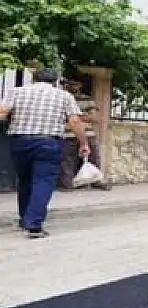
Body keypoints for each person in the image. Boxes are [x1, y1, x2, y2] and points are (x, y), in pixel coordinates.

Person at [0, 68, 90, 238]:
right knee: (43, 182)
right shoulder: (64, 96)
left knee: (24, 180)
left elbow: (3, 113)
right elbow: (74, 121)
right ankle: (33, 224)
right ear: (55, 81)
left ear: (34, 79)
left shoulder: (16, 92)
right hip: (49, 142)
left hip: (20, 142)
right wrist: (83, 143)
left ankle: (24, 218)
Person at [59, 74, 111, 191]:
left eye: (74, 84)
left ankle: (96, 180)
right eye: (69, 83)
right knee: (67, 160)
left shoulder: (87, 99)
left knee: (94, 157)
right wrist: (81, 116)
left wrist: (73, 117)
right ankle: (67, 184)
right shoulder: (61, 98)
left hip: (88, 134)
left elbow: (94, 118)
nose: (71, 86)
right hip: (67, 134)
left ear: (80, 85)